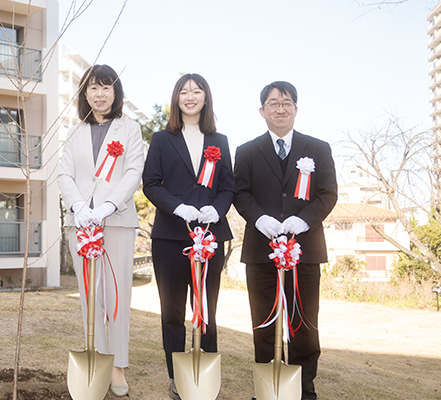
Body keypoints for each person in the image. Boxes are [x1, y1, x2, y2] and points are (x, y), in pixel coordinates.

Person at [233, 81, 337, 400]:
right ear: (262, 110)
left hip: (304, 251)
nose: (280, 108)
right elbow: (240, 192)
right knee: (263, 321)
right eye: (273, 103)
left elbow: (327, 194)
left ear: (296, 109)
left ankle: (303, 389)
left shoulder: (318, 148)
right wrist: (260, 218)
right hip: (261, 251)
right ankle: (268, 388)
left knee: (304, 322)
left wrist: (303, 220)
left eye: (287, 102)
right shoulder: (247, 151)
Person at [141, 73, 235, 400]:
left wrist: (217, 210)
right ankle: (177, 376)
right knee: (172, 311)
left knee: (206, 308)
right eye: (184, 91)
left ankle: (206, 376)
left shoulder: (219, 140)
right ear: (176, 98)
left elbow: (228, 187)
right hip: (170, 236)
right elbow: (151, 183)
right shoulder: (161, 139)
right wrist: (177, 208)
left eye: (197, 91)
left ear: (206, 98)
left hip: (210, 236)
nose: (190, 96)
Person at [57, 64, 144, 397]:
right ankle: (95, 357)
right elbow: (64, 173)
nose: (100, 93)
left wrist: (108, 206)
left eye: (107, 87)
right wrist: (79, 207)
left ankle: (118, 364)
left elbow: (134, 170)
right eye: (93, 87)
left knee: (117, 295)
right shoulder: (75, 130)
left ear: (116, 93)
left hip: (116, 221)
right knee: (90, 296)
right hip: (80, 224)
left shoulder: (129, 128)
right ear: (85, 93)